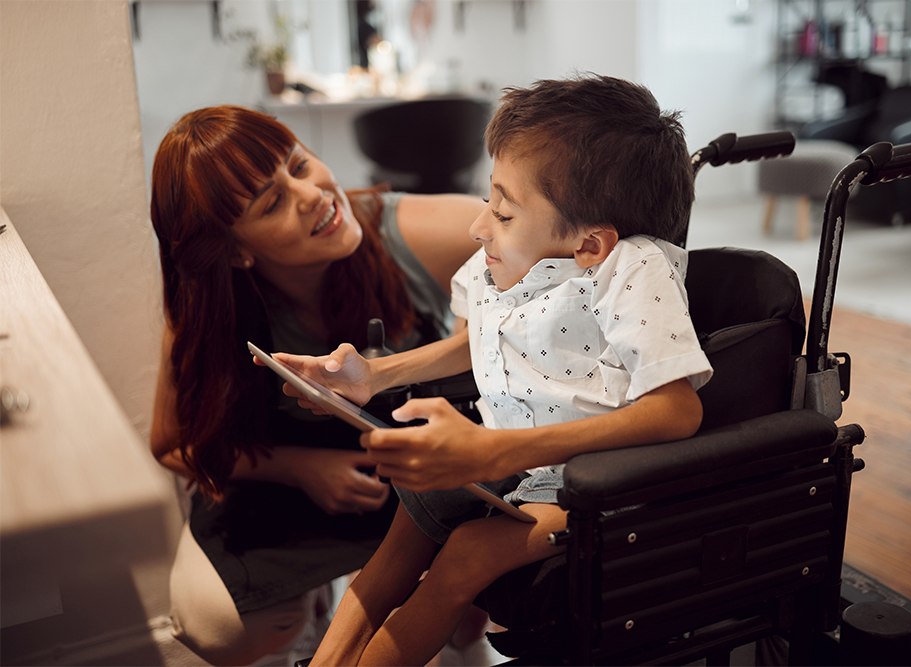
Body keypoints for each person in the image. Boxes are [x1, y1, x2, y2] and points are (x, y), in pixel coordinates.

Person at [280, 74, 714, 666]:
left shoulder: (632, 271)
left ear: (590, 245)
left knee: (465, 553)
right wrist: (375, 375)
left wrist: (497, 452)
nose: (480, 224)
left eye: (504, 212)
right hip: (506, 461)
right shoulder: (499, 260)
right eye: (490, 198)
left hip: (593, 480)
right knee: (401, 538)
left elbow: (677, 409)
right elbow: (474, 339)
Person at [147, 105, 485, 665]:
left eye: (298, 165)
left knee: (460, 621)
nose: (312, 194)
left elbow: (560, 236)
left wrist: (478, 314)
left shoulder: (418, 231)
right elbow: (171, 444)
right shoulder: (209, 313)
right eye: (272, 202)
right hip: (286, 487)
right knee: (221, 629)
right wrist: (300, 467)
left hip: (417, 479)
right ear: (235, 250)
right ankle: (311, 615)